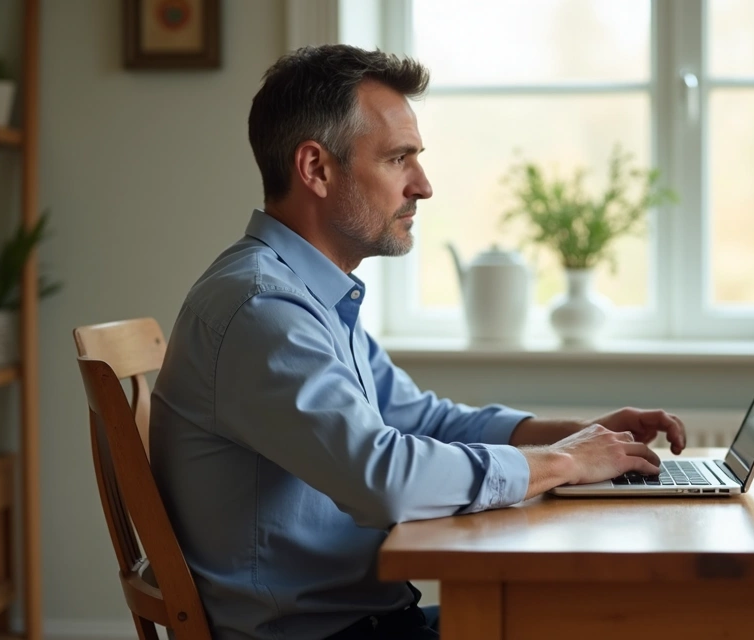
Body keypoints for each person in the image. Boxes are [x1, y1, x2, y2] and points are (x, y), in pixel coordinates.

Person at [149, 44, 686, 640]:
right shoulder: (262, 310)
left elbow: (418, 418)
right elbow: (387, 481)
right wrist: (564, 464)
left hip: (366, 621)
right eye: (398, 158)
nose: (423, 186)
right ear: (316, 169)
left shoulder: (308, 295)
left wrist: (574, 437)